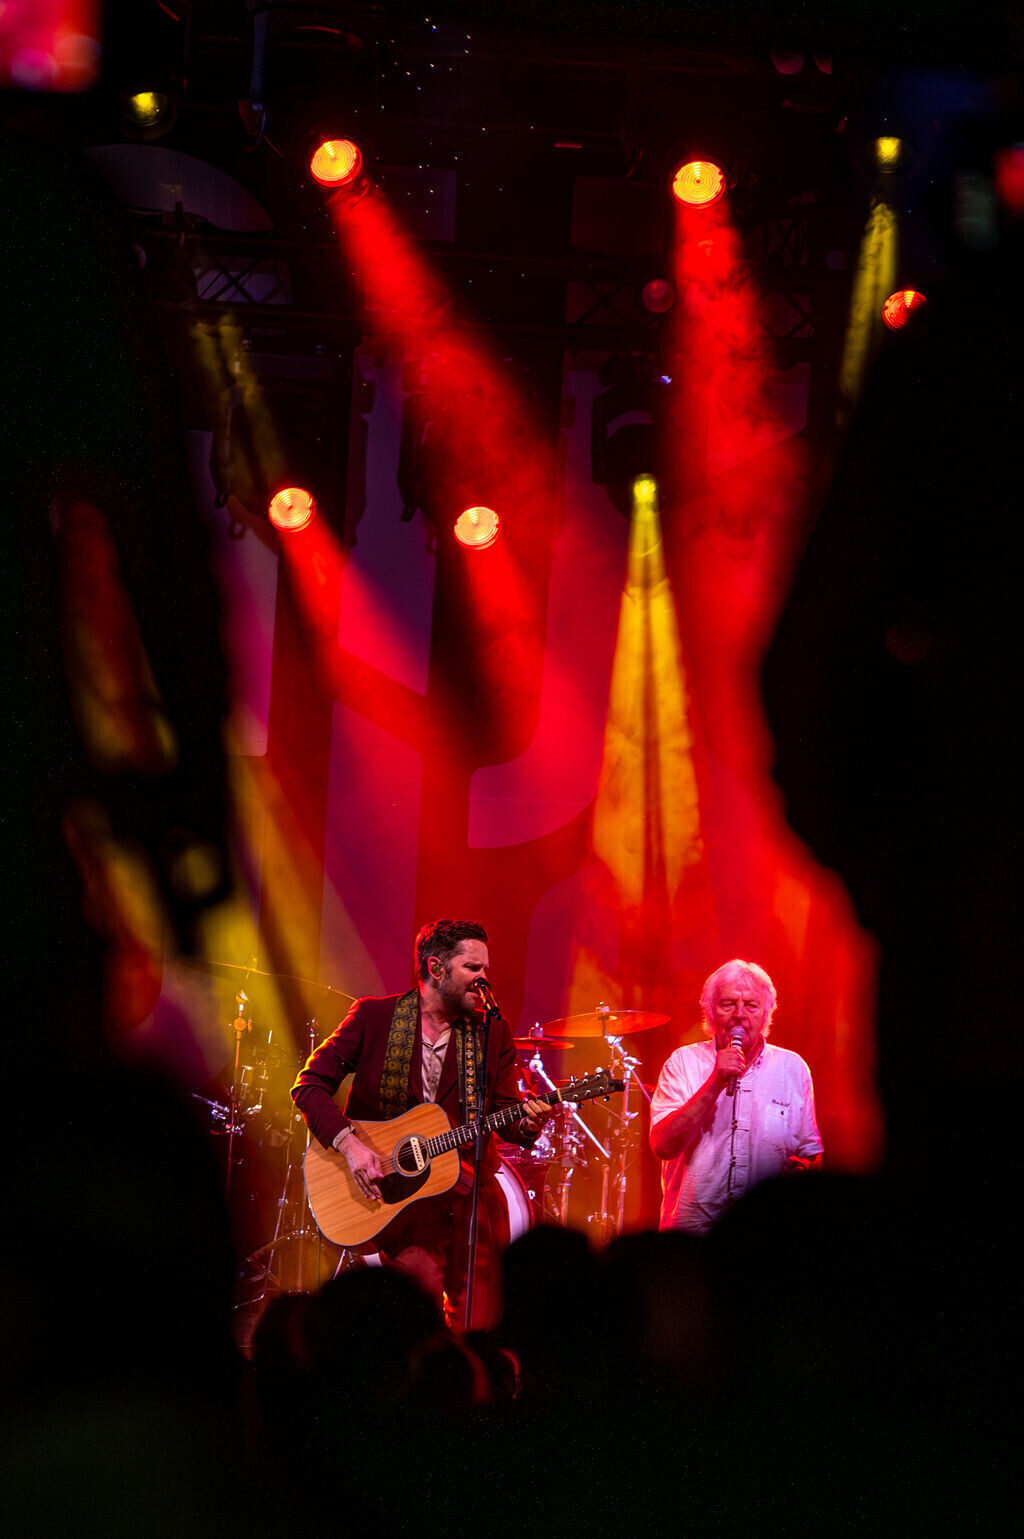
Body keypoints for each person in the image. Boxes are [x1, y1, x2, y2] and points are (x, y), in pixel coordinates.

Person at [291, 918, 550, 1329]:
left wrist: (529, 1124)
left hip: (472, 1196)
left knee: (480, 1325)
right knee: (413, 1322)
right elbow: (309, 1085)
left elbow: (505, 1113)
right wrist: (350, 1144)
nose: (484, 978)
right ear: (435, 968)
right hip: (407, 1203)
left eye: (485, 968)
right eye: (473, 968)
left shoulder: (492, 1032)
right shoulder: (374, 1017)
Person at [649, 959, 822, 1234]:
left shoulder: (793, 1068)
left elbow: (811, 1154)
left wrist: (800, 1171)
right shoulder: (683, 1063)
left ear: (766, 1014)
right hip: (693, 1237)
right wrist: (715, 1082)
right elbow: (663, 1146)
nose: (740, 1014)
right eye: (728, 1004)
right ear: (710, 1012)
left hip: (767, 1233)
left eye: (751, 1005)